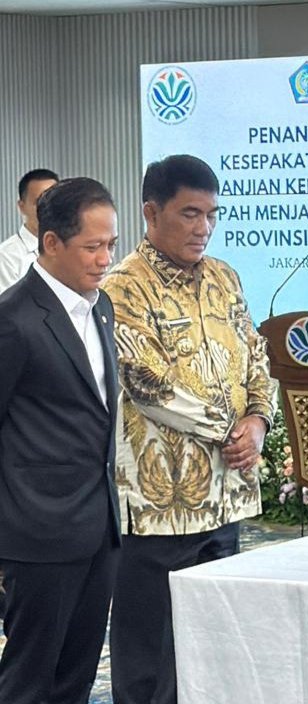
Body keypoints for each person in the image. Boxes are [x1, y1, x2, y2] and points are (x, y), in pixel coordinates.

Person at [102, 154, 276, 704]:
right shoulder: (122, 287)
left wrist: (258, 421)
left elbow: (256, 357)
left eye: (211, 215)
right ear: (151, 213)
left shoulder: (225, 278)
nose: (204, 227)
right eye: (190, 213)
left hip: (226, 497)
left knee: (215, 646)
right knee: (151, 655)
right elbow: (146, 383)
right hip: (159, 504)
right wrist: (230, 430)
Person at [0, 177, 121, 703]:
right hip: (36, 536)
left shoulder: (102, 307)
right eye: (92, 247)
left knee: (76, 678)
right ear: (51, 243)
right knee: (29, 682)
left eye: (111, 244)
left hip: (99, 526)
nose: (105, 259)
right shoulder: (13, 320)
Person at [0, 168, 59, 293]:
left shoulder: (71, 246)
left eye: (54, 201)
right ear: (22, 207)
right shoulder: (6, 257)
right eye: (39, 202)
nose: (48, 208)